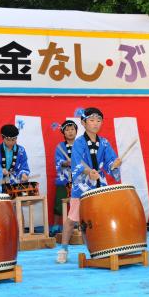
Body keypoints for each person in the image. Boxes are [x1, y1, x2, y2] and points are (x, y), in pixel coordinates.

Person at [56, 107, 122, 264]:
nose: (95, 123)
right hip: (83, 186)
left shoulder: (104, 143)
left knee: (101, 218)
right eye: (91, 120)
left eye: (98, 120)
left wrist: (114, 165)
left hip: (99, 184)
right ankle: (63, 248)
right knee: (72, 218)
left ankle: (102, 247)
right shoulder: (79, 143)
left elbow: (109, 163)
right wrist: (87, 172)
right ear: (84, 123)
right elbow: (76, 163)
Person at [50, 120, 78, 236]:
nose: (70, 132)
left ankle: (78, 223)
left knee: (78, 202)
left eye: (72, 129)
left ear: (76, 131)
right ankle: (56, 226)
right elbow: (58, 162)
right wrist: (66, 163)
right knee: (59, 202)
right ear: (63, 133)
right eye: (67, 130)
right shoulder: (60, 147)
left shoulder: (81, 145)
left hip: (79, 180)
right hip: (64, 179)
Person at [0, 124, 30, 189]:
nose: (10, 142)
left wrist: (23, 174)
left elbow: (24, 166)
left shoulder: (21, 151)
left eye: (13, 140)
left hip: (15, 182)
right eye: (8, 140)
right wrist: (0, 170)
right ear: (2, 137)